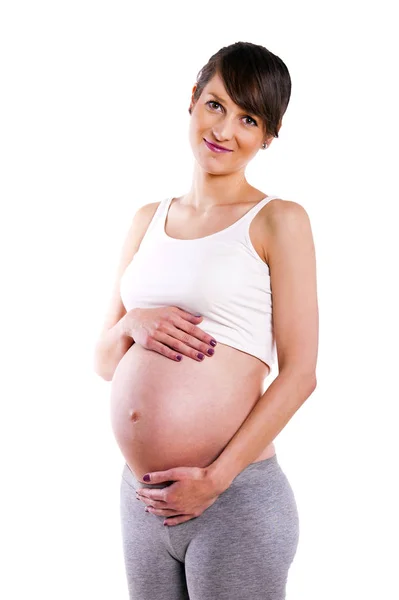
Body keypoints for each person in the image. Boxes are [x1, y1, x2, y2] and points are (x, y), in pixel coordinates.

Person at [94, 41, 318, 600]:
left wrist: (215, 481)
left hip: (233, 498)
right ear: (192, 101)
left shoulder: (278, 221)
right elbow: (103, 359)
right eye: (216, 104)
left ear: (268, 136)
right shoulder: (148, 218)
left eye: (249, 118)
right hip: (142, 498)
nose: (225, 129)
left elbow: (300, 374)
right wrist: (132, 324)